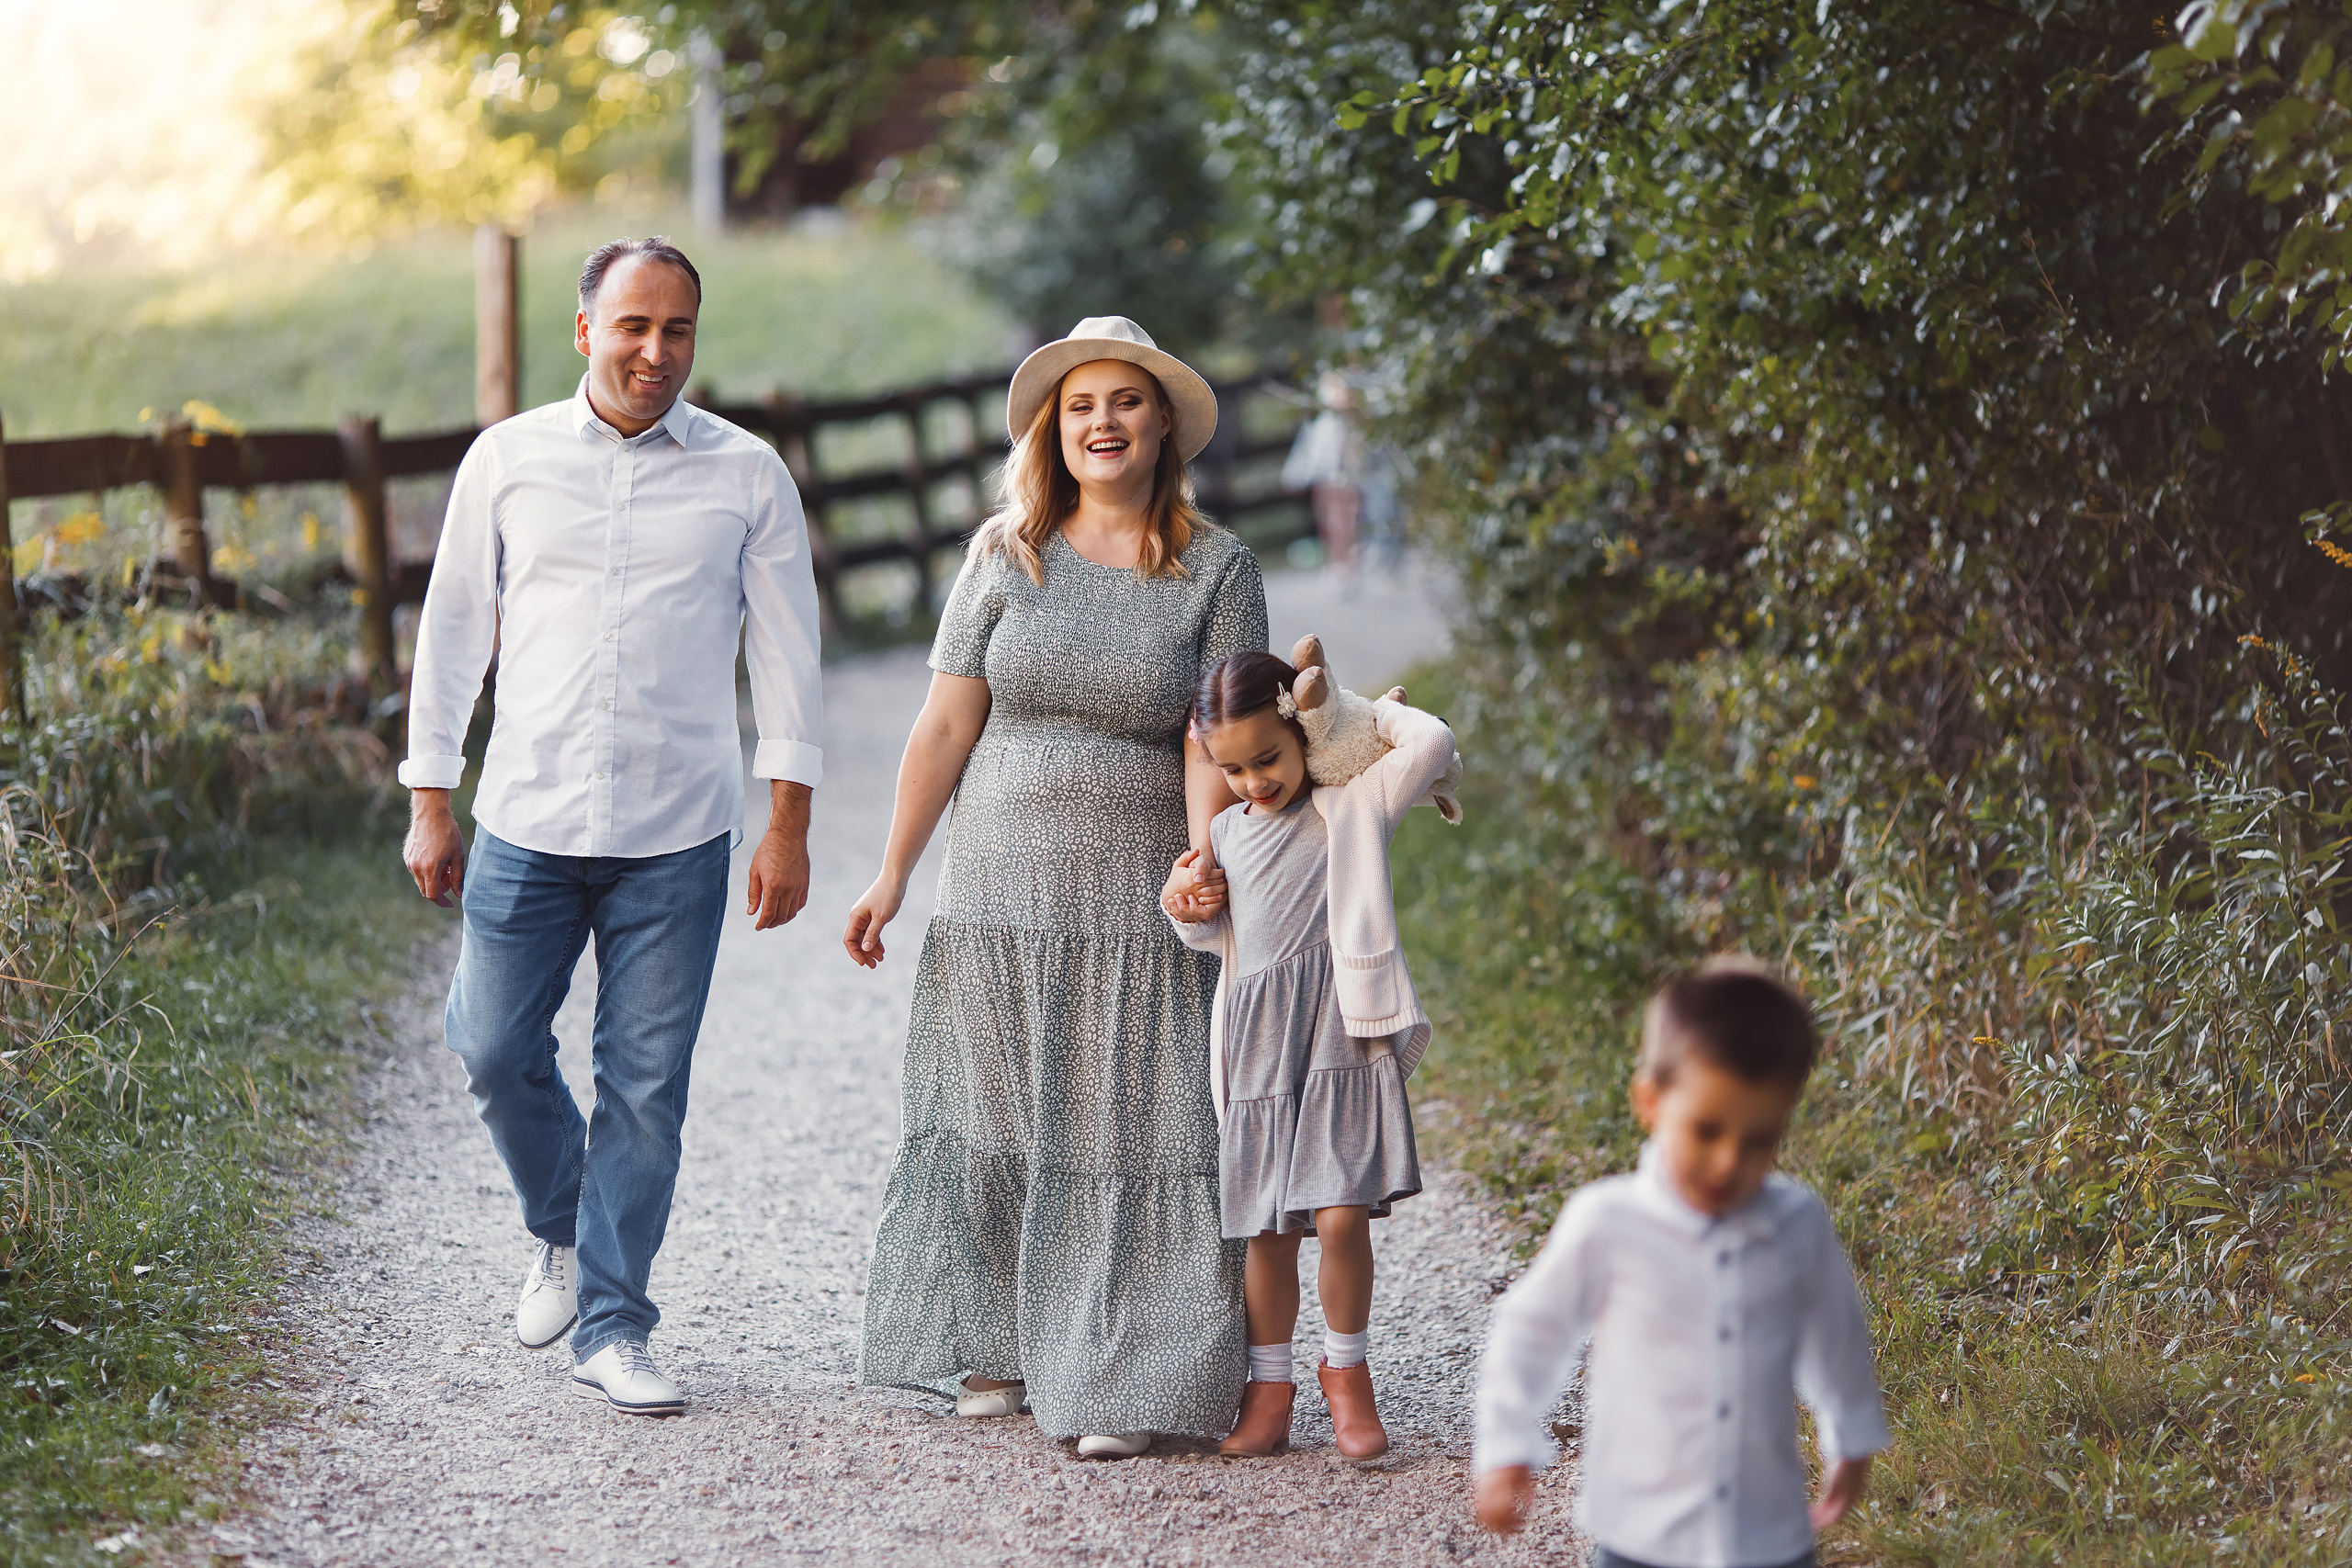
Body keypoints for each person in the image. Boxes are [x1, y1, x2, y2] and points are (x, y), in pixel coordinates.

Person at [399, 236, 824, 1416]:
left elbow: (788, 661)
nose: (654, 351)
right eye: (632, 326)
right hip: (526, 815)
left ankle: (614, 1324)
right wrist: (430, 797)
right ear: (586, 330)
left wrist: (785, 825)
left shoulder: (749, 476)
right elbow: (452, 633)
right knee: (489, 1044)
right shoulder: (507, 460)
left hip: (678, 831)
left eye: (676, 329)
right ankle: (566, 1225)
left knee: (645, 1087)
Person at [844, 316, 1268, 1458]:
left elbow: (1213, 738)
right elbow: (944, 725)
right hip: (995, 888)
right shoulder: (1004, 554)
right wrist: (891, 873)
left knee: (1138, 1120)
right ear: (1053, 429)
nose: (1102, 422)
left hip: (1134, 895)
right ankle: (997, 1347)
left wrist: (1204, 858)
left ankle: (1128, 1375)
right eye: (1081, 405)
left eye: (1126, 402)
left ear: (1162, 425)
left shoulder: (1217, 568)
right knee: (994, 1112)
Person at [1472, 960, 1888, 1567]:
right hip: (1640, 1531)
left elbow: (1835, 1332)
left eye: (1759, 1140)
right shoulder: (1607, 1222)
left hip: (1767, 1531)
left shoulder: (1798, 1222)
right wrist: (1507, 1443)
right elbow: (1533, 1330)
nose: (1728, 1162)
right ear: (1651, 1100)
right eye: (1706, 1130)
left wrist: (1850, 1434)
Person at [1162, 648, 1456, 1461]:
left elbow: (1431, 742)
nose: (1254, 780)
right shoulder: (1224, 832)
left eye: (1268, 757)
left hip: (1338, 1035)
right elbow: (1216, 934)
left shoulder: (1351, 806)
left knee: (1340, 1212)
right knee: (1267, 1231)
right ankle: (1269, 1390)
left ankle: (1347, 1373)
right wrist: (1183, 903)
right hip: (1259, 1047)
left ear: (1299, 734)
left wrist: (1342, 713)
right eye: (1233, 768)